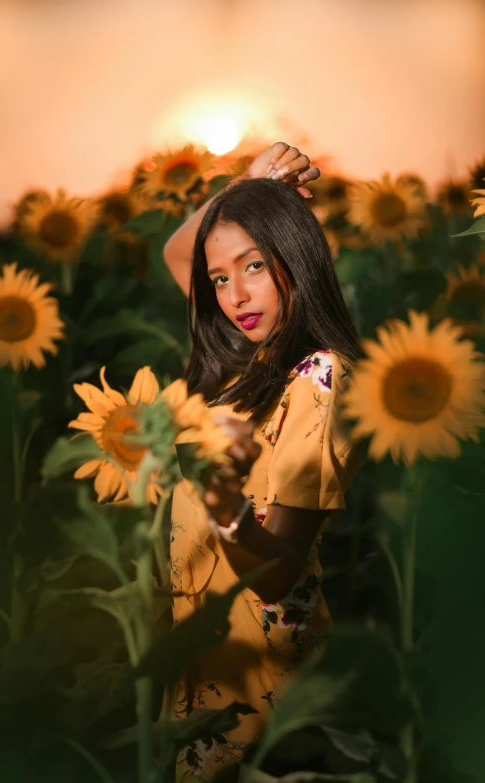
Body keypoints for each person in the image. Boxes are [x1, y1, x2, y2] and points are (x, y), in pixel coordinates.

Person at [163, 143, 360, 782]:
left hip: (264, 689)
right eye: (220, 277)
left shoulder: (319, 377)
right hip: (205, 665)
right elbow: (177, 254)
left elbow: (275, 574)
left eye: (254, 265)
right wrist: (243, 187)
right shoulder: (244, 362)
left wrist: (224, 509)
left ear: (294, 257)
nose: (234, 294)